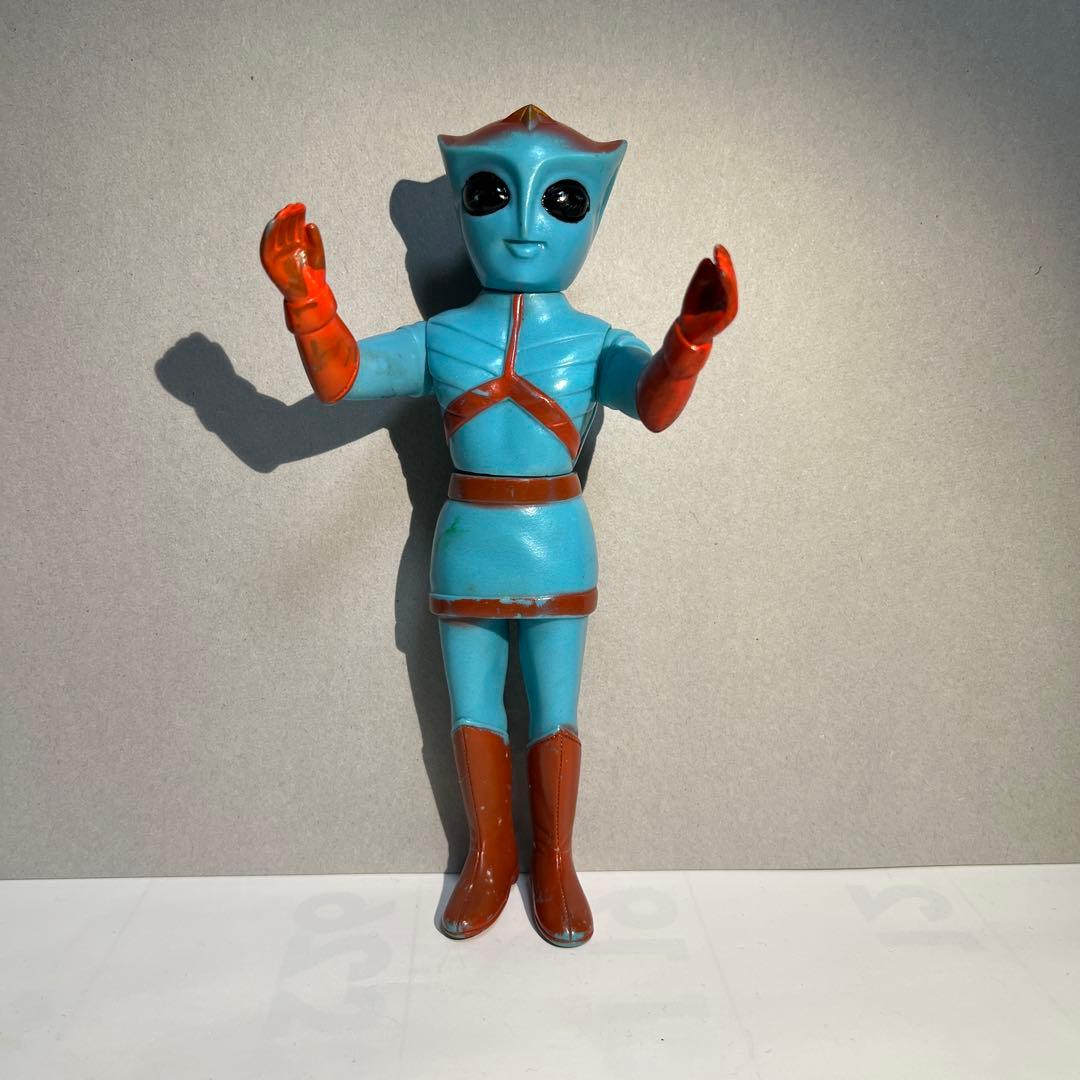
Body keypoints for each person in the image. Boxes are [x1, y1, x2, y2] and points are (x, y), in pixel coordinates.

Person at [260, 105, 738, 947]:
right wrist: (307, 301)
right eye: (491, 193)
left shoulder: (592, 340)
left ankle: (553, 862)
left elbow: (653, 403)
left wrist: (690, 342)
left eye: (561, 201)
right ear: (462, 206)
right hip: (467, 545)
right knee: (473, 706)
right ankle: (489, 858)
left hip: (555, 545)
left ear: (595, 213)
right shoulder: (444, 336)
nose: (523, 224)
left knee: (554, 709)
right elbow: (344, 376)